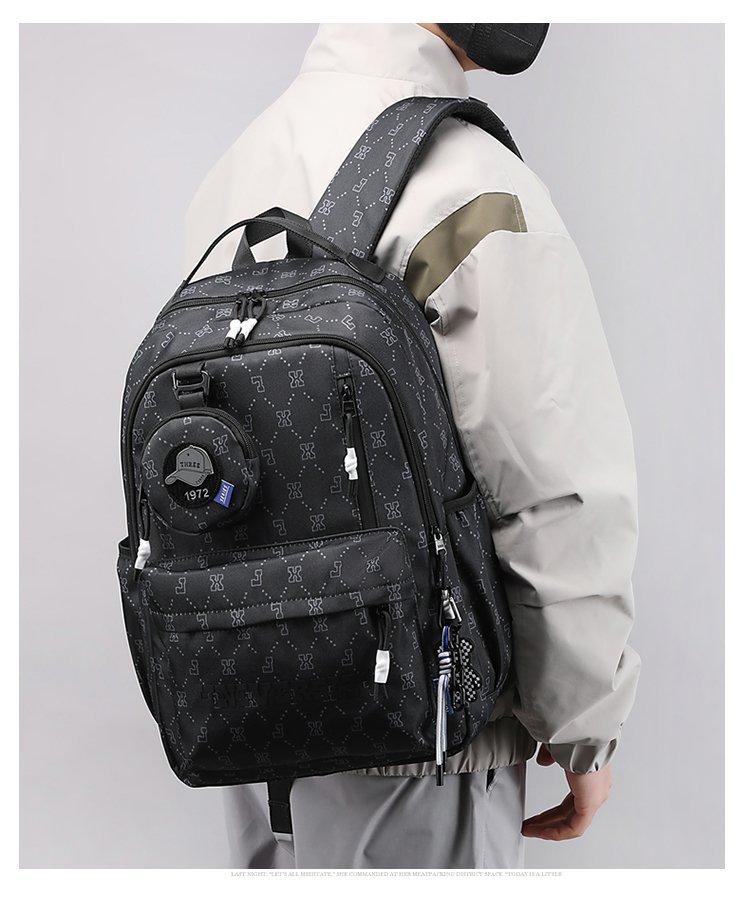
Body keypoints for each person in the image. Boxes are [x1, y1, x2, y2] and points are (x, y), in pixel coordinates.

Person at [184, 23, 639, 870]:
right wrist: (584, 726)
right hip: (421, 736)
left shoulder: (240, 165)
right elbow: (547, 482)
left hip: (249, 713)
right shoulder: (473, 183)